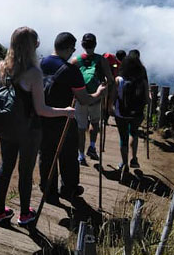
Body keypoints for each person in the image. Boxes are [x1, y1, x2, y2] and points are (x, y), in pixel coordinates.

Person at [0, 27, 75, 226]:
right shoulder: (34, 72)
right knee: (25, 172)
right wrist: (66, 111)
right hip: (29, 130)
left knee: (6, 166)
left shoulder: (2, 67)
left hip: (6, 127)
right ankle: (25, 214)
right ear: (32, 46)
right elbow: (41, 109)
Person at [40, 32, 106, 202]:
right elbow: (84, 98)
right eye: (73, 48)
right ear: (69, 48)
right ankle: (69, 190)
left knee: (46, 155)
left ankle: (48, 191)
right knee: (68, 156)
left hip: (43, 116)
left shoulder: (40, 63)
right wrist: (98, 93)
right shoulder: (71, 71)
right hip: (65, 118)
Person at [71, 33, 114, 165]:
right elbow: (111, 80)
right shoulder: (102, 60)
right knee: (94, 123)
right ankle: (92, 146)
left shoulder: (75, 60)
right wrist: (104, 86)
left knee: (80, 128)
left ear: (82, 45)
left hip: (80, 98)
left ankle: (81, 155)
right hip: (96, 98)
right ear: (95, 45)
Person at [113, 55, 151, 177]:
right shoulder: (143, 82)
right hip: (137, 114)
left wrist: (110, 109)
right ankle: (134, 159)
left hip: (121, 114)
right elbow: (147, 100)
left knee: (123, 138)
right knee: (133, 133)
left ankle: (124, 164)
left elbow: (113, 98)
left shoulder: (119, 80)